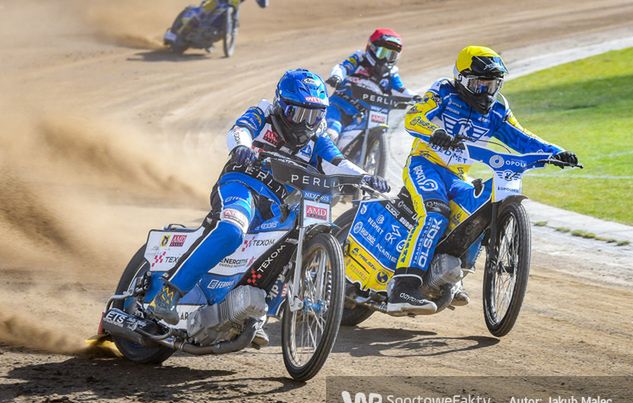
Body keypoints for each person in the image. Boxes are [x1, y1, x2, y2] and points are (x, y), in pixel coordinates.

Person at [147, 69, 390, 344]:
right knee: (231, 230)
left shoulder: (317, 136)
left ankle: (255, 314)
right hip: (242, 184)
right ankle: (168, 292)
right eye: (299, 114)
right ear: (282, 106)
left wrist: (365, 177)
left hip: (278, 204)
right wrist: (241, 147)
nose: (307, 122)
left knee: (293, 241)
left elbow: (337, 161)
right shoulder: (264, 113)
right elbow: (240, 129)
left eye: (315, 115)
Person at [387, 45, 579, 315]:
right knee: (435, 214)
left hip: (457, 176)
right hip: (425, 165)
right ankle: (402, 288)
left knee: (481, 211)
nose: (486, 92)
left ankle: (452, 278)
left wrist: (556, 152)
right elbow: (413, 117)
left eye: (492, 85)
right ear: (462, 79)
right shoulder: (443, 91)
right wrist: (435, 131)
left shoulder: (498, 110)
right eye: (480, 84)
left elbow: (522, 137)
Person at [325, 28, 420, 143]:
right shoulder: (359, 58)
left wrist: (417, 98)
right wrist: (337, 76)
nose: (385, 59)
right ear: (372, 48)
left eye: (391, 55)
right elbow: (342, 68)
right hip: (338, 107)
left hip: (363, 116)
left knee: (373, 131)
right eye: (383, 53)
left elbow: (400, 90)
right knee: (332, 133)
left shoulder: (391, 73)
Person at [171, 0, 268, 39]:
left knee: (235, 10)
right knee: (207, 7)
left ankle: (229, 30)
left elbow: (263, 4)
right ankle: (190, 21)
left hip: (233, 5)